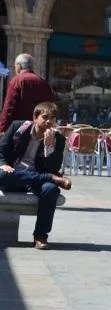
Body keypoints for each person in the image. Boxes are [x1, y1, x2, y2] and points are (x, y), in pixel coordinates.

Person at [0, 101, 71, 249]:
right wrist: (3, 164)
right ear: (35, 117)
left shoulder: (58, 139)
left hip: (37, 176)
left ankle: (40, 236)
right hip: (14, 173)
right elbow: (1, 148)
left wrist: (48, 146)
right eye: (45, 117)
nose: (48, 121)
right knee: (3, 176)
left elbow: (54, 166)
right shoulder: (18, 127)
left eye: (52, 118)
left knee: (50, 189)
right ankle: (50, 179)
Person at [0, 53, 56, 134]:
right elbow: (50, 106)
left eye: (15, 66)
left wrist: (3, 129)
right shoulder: (43, 83)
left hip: (19, 130)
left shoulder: (17, 80)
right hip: (38, 129)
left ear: (19, 66)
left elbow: (9, 108)